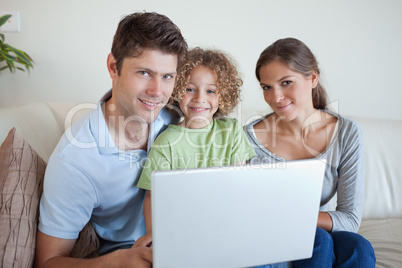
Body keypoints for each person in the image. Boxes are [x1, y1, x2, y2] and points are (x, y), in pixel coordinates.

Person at [35, 12, 187, 268]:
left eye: (167, 76)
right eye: (144, 73)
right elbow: (48, 261)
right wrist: (117, 262)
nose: (157, 92)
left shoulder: (177, 117)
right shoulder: (75, 160)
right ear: (113, 67)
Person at [244, 37, 376, 267]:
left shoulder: (346, 132)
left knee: (359, 247)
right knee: (321, 241)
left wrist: (296, 219)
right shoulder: (248, 137)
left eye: (286, 82)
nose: (275, 97)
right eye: (267, 87)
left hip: (317, 230)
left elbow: (350, 219)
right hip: (270, 235)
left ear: (313, 78)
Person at [133, 47, 256, 248]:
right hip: (185, 228)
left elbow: (239, 184)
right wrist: (153, 235)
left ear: (223, 95)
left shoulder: (231, 130)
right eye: (190, 89)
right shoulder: (166, 142)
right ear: (177, 90)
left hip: (228, 224)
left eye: (210, 91)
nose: (199, 98)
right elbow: (152, 195)